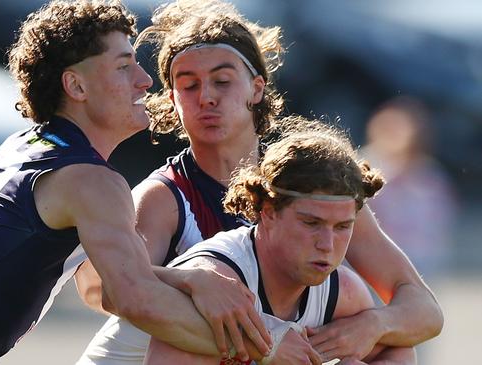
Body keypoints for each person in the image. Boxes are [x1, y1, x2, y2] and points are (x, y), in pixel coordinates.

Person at [0, 1, 272, 364]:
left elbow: (112, 282)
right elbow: (136, 299)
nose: (145, 81)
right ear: (76, 85)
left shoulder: (28, 142)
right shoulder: (92, 182)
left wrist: (189, 278)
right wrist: (269, 351)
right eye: (124, 66)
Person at [75, 0, 442, 364]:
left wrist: (374, 325)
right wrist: (193, 280)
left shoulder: (311, 189)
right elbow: (107, 288)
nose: (206, 98)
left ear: (257, 88)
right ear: (171, 100)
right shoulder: (165, 196)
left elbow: (423, 310)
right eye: (188, 86)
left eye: (222, 81)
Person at [143, 125, 416, 365]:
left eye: (343, 227)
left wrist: (377, 331)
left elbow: (400, 349)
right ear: (269, 212)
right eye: (311, 223)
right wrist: (267, 345)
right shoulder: (219, 282)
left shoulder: (341, 293)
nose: (327, 244)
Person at [361, 96, 457, 279]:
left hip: (418, 265)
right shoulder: (366, 169)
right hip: (371, 266)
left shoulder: (430, 176)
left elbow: (439, 224)